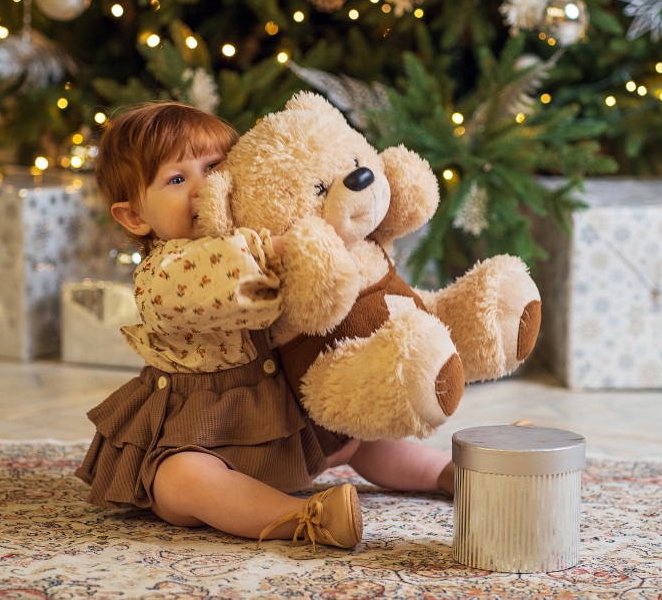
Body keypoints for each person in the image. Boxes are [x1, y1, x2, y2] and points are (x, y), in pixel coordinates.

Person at [76, 101, 454, 552]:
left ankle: (446, 473)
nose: (202, 188)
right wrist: (281, 249)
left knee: (359, 441)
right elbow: (215, 277)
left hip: (284, 418)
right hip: (202, 436)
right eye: (177, 180)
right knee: (179, 482)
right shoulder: (162, 274)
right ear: (135, 217)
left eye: (214, 167)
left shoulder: (250, 229)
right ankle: (300, 517)